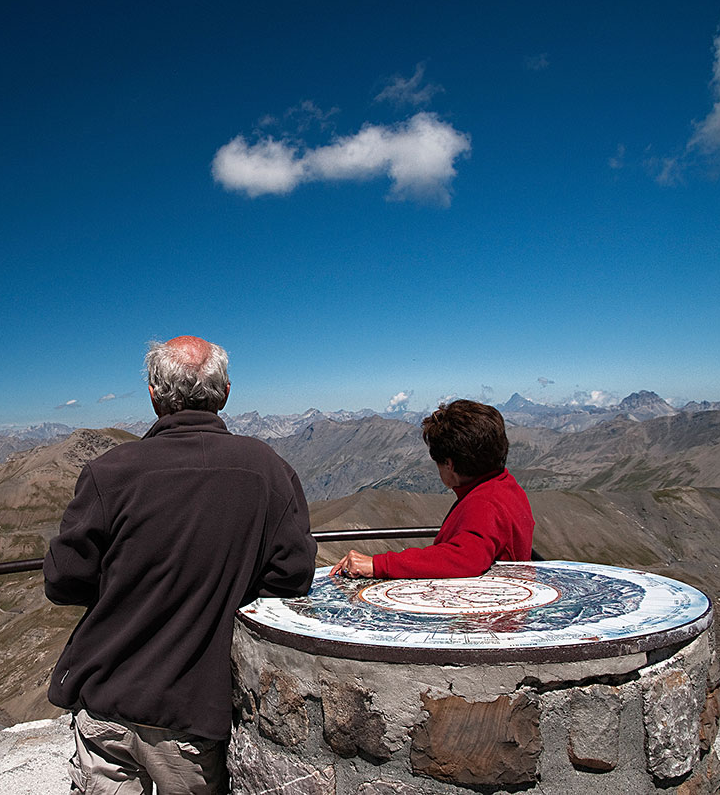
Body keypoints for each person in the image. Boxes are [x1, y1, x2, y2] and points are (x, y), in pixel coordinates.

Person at [44, 335, 317, 794]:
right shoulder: (268, 469)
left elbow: (63, 581)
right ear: (225, 393)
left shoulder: (109, 472)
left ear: (153, 395)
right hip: (191, 707)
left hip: (106, 696)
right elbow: (292, 574)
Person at [330, 399, 533, 580]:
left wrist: (378, 564)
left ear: (450, 464)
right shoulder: (505, 486)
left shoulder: (484, 503)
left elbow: (466, 557)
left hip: (487, 619)